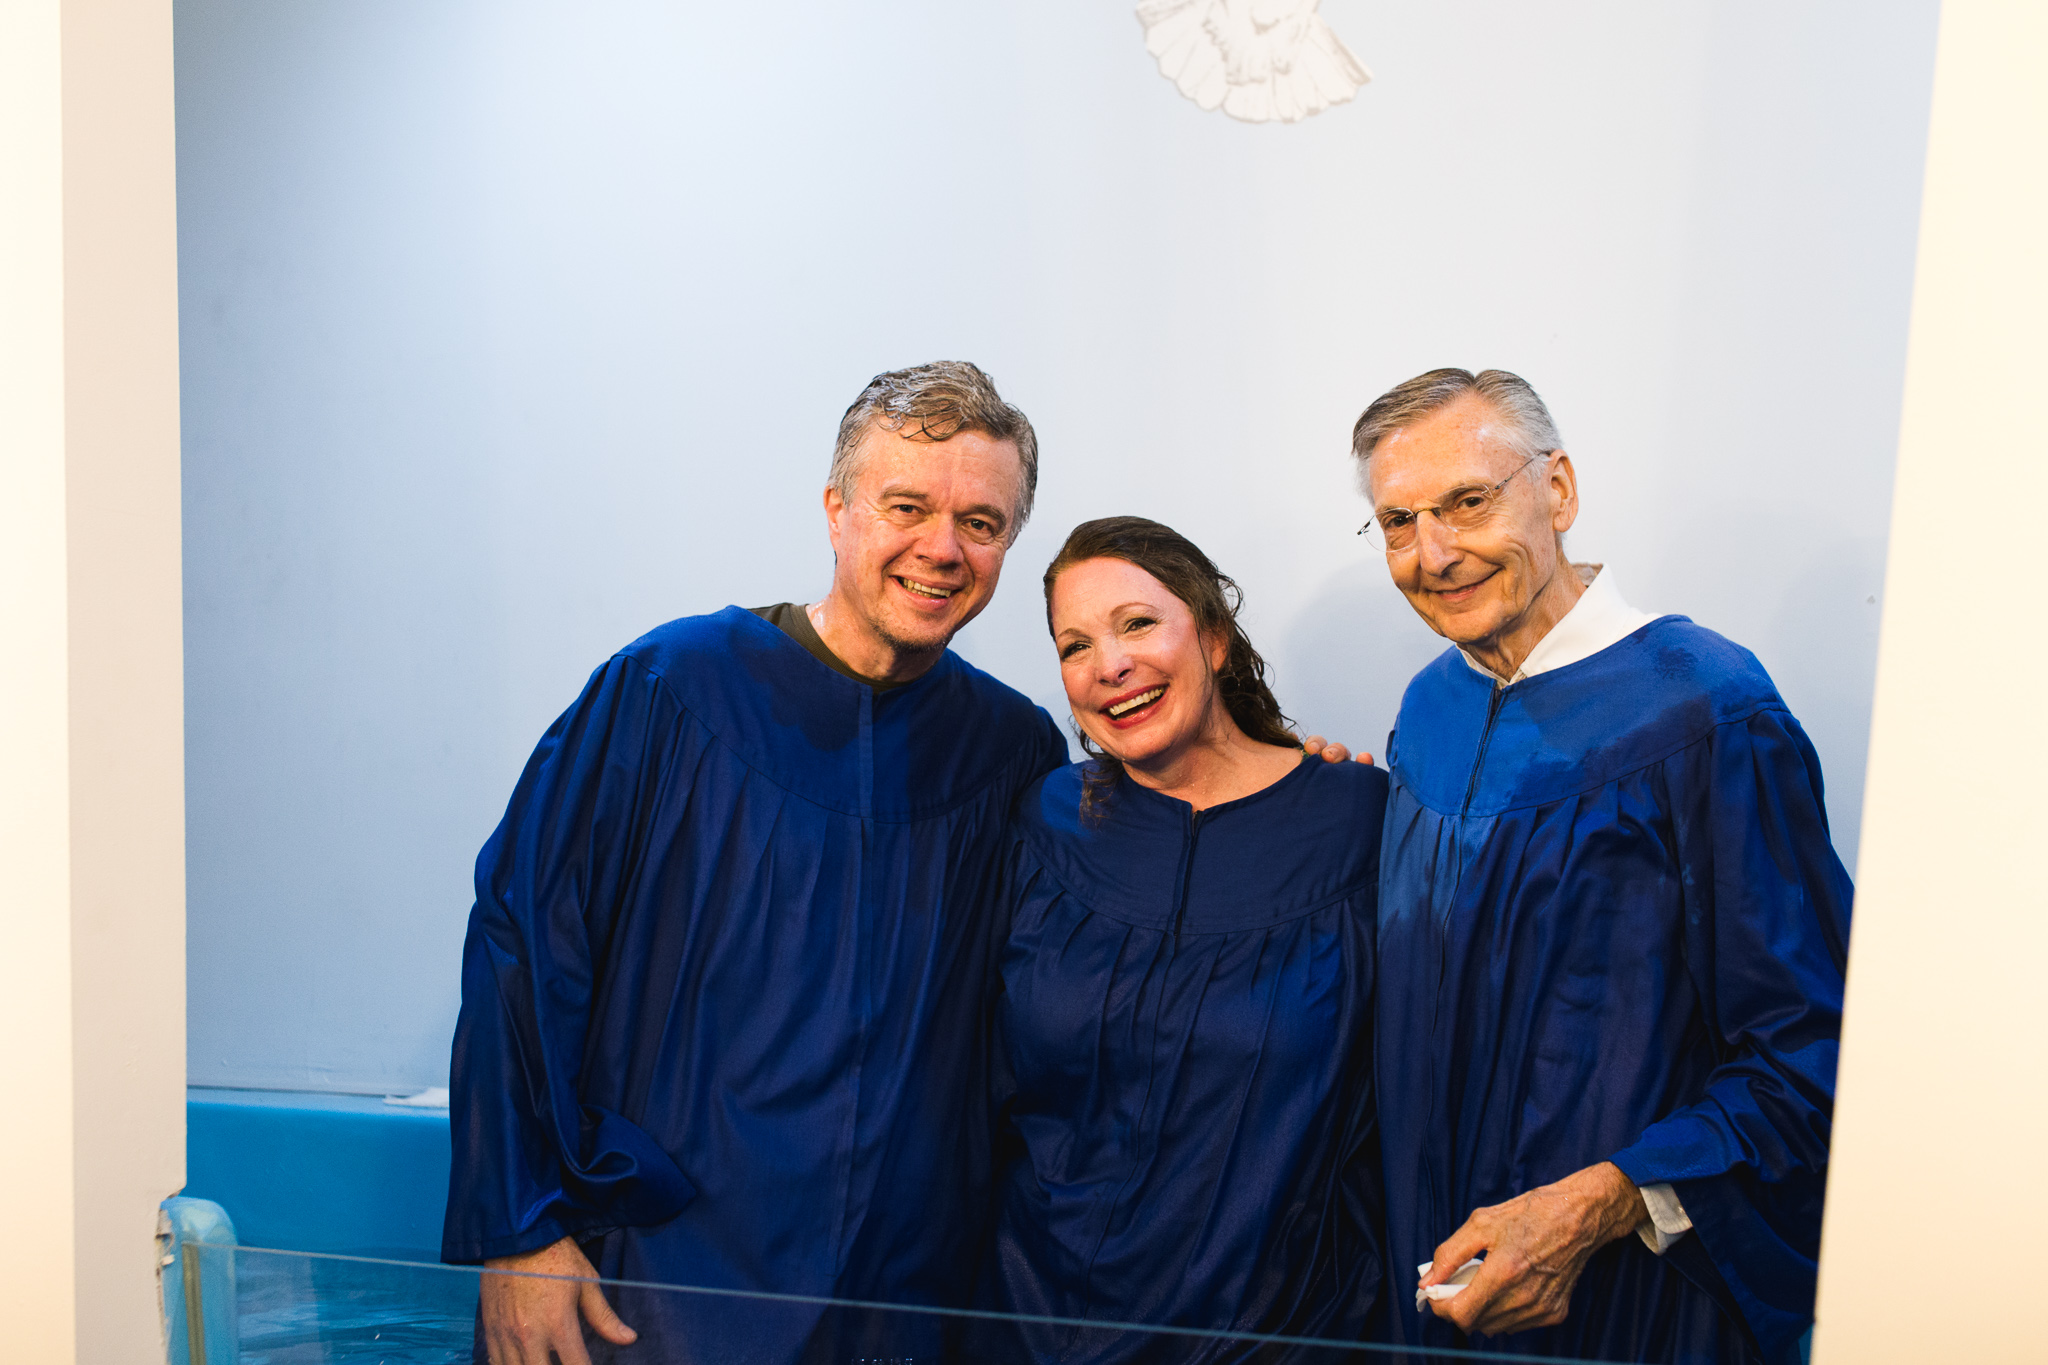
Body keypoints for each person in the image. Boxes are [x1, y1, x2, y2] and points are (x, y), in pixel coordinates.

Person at [444, 363, 1361, 1365]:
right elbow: (522, 946)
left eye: (981, 521)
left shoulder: (1008, 756)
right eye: (906, 506)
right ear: (836, 511)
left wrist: (1301, 787)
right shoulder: (668, 692)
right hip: (663, 1280)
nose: (941, 547)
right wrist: (520, 1228)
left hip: (903, 1301)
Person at [1353, 369, 1851, 1365]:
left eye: (1467, 502)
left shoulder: (1701, 708)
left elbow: (1809, 1047)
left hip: (1627, 1308)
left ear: (1559, 490)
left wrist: (1601, 1200)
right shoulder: (1429, 706)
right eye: (1397, 522)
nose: (1433, 553)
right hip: (1435, 1292)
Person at [970, 517, 1387, 1364]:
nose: (1107, 665)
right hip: (1033, 1323)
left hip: (1281, 1332)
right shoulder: (1044, 822)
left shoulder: (1360, 824)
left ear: (1215, 638)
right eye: (1074, 644)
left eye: (1136, 623)